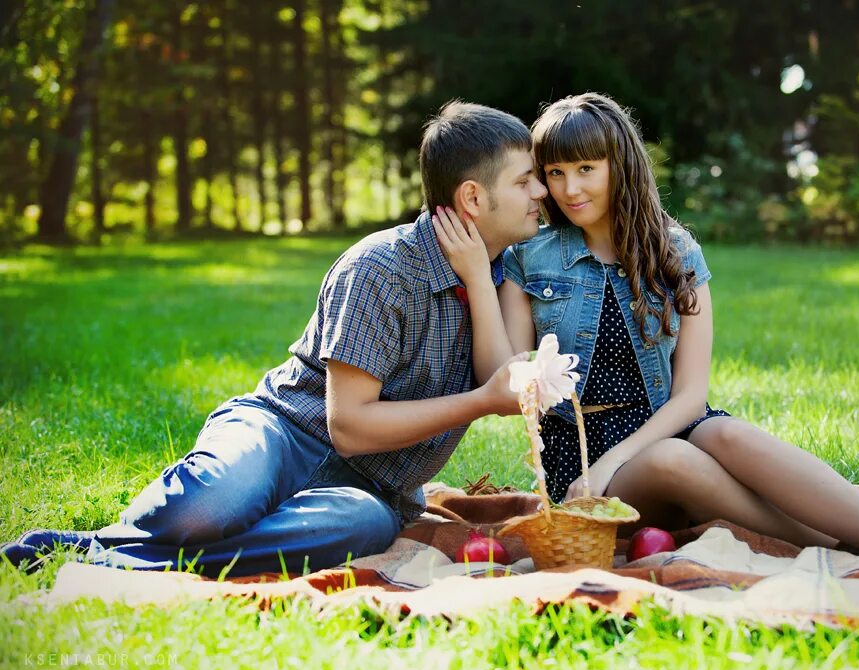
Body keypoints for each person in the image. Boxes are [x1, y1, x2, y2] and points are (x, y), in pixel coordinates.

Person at [1, 101, 548, 576]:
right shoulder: (381, 269)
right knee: (209, 508)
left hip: (371, 493)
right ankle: (129, 544)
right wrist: (479, 400)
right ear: (473, 198)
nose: (541, 192)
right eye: (524, 181)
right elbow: (351, 427)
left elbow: (502, 384)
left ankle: (104, 555)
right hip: (283, 433)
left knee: (357, 526)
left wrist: (478, 279)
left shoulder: (499, 274)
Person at [432, 92, 859, 558]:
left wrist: (617, 458)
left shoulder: (677, 253)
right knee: (673, 459)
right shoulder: (530, 260)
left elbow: (690, 399)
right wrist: (479, 278)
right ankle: (840, 544)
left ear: (621, 166)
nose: (569, 188)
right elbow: (506, 379)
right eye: (555, 172)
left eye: (587, 168)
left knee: (726, 433)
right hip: (582, 461)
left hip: (663, 426)